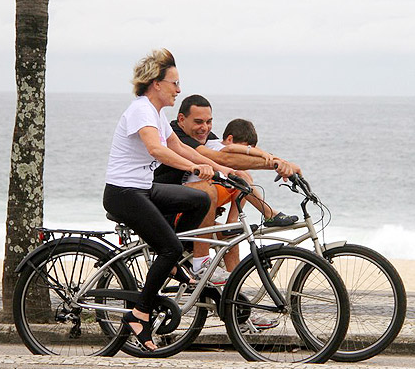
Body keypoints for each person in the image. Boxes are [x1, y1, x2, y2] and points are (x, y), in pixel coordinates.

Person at [102, 49, 232, 352]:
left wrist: (222, 170)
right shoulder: (141, 110)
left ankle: (171, 261)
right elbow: (156, 151)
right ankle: (140, 314)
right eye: (174, 83)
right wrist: (194, 167)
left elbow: (180, 147)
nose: (178, 89)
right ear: (155, 83)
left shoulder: (157, 114)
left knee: (200, 200)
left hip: (144, 189)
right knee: (170, 246)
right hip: (124, 193)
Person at [153, 95, 302, 283]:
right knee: (207, 190)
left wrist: (279, 161)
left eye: (209, 122)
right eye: (198, 122)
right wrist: (274, 164)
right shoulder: (176, 134)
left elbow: (234, 153)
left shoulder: (204, 136)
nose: (204, 128)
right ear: (182, 119)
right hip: (165, 212)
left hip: (191, 212)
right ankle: (201, 263)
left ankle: (234, 294)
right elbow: (223, 159)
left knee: (230, 236)